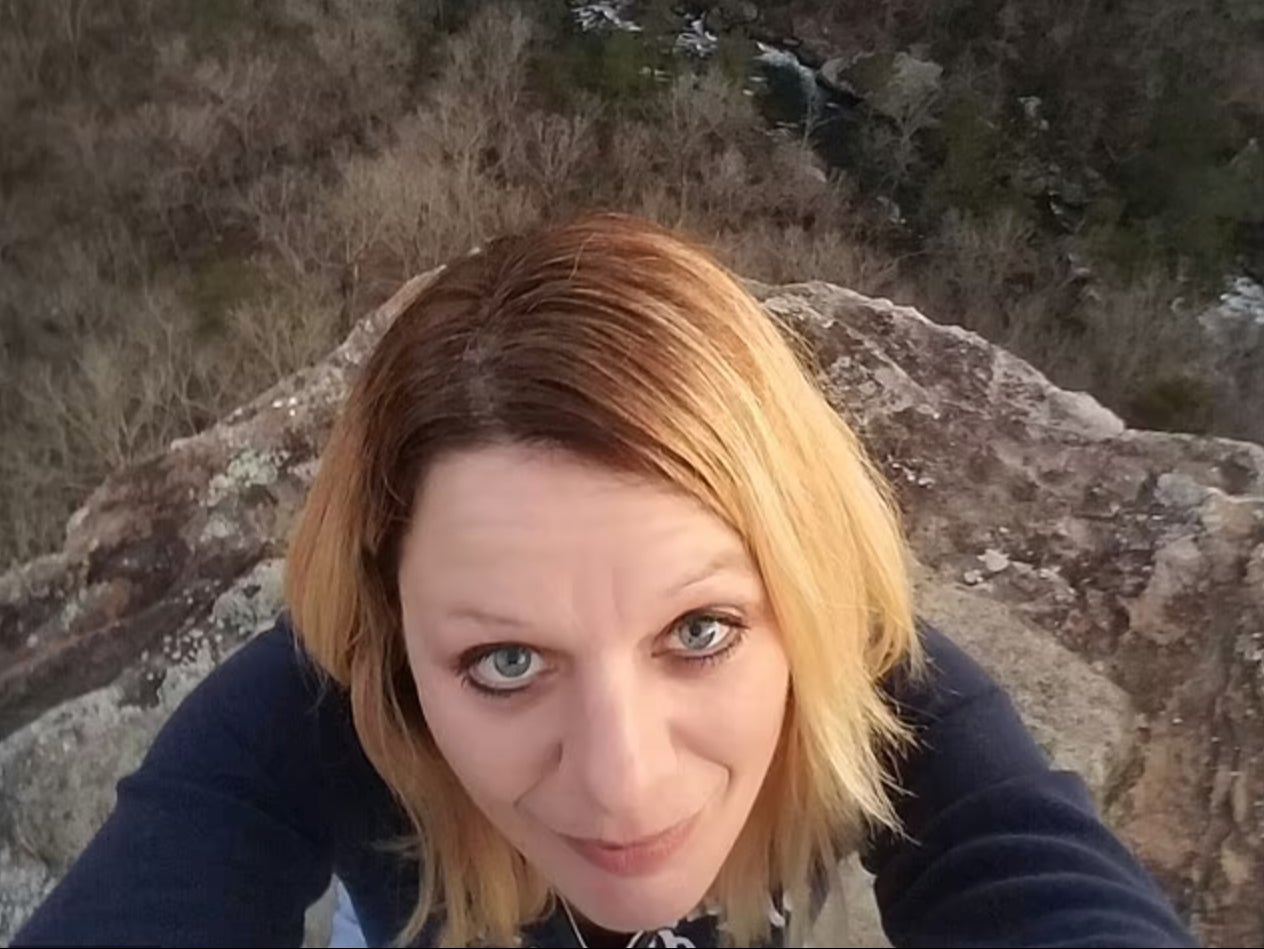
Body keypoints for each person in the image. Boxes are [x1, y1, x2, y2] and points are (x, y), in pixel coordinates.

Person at [14, 214, 1195, 948]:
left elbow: (1035, 877)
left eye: (700, 628)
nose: (624, 784)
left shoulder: (875, 674)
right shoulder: (332, 703)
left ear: (804, 590)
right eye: (505, 661)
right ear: (393, 632)